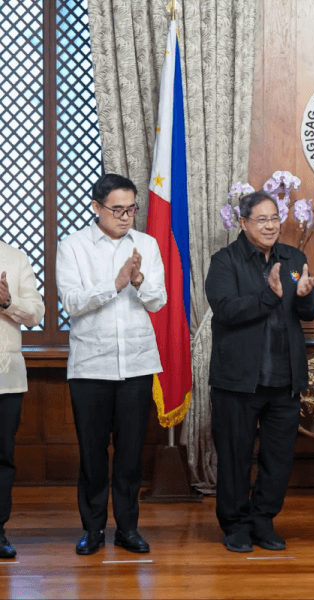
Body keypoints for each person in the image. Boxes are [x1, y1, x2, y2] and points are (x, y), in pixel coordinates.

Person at [56, 173, 167, 556]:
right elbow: (71, 301)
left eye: (132, 209)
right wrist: (115, 284)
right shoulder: (73, 247)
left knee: (130, 454)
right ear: (96, 208)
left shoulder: (147, 245)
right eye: (117, 209)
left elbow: (158, 301)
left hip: (137, 364)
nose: (126, 217)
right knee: (92, 454)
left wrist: (137, 280)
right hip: (90, 367)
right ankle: (92, 529)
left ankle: (128, 529)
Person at [205, 190, 314, 553]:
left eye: (275, 218)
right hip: (238, 380)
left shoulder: (293, 257)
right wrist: (270, 296)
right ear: (243, 223)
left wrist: (303, 294)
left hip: (284, 378)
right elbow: (225, 310)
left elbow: (309, 312)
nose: (271, 225)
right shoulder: (224, 261)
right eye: (262, 219)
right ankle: (235, 525)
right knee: (235, 456)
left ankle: (263, 520)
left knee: (278, 458)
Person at [0, 244, 44, 559]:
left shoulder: (14, 258)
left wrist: (7, 301)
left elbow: (36, 313)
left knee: (2, 457)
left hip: (5, 376)